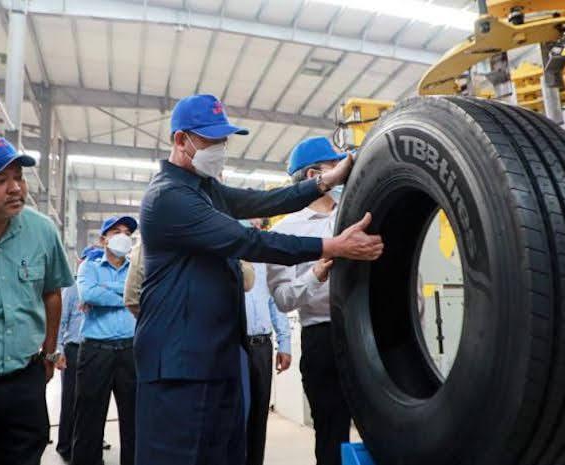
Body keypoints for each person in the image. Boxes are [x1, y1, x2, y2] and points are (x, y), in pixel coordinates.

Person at [135, 94, 384, 465]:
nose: (219, 148)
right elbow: (249, 239)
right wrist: (333, 245)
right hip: (180, 367)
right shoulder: (169, 197)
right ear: (180, 140)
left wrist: (324, 182)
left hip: (216, 358)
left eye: (223, 140)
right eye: (210, 140)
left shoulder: (205, 189)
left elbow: (261, 203)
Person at [0, 132, 74, 465]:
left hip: (25, 379)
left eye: (18, 178)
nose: (15, 188)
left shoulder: (42, 231)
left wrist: (50, 352)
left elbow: (52, 292)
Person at [266, 136, 356, 465]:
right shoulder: (287, 231)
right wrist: (316, 274)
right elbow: (283, 298)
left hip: (369, 330)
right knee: (332, 434)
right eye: (337, 168)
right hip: (323, 338)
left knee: (387, 427)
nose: (344, 176)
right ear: (313, 176)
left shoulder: (356, 213)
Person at [72, 215, 138, 465]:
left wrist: (106, 292)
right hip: (96, 352)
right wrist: (126, 295)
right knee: (88, 420)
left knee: (133, 421)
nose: (122, 236)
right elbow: (88, 292)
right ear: (103, 239)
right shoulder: (89, 265)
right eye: (116, 231)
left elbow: (142, 294)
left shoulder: (136, 267)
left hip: (130, 351)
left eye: (127, 232)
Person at [241, 219, 293, 465]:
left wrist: (284, 343)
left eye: (258, 225)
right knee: (236, 412)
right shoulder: (226, 255)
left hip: (262, 346)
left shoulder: (264, 261)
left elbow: (276, 303)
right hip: (235, 346)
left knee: (260, 413)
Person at [55, 247, 97, 462]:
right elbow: (59, 321)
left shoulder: (98, 286)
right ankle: (65, 445)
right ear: (81, 262)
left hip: (94, 348)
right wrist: (57, 352)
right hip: (72, 349)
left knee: (90, 401)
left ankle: (86, 443)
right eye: (88, 260)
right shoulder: (72, 288)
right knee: (70, 399)